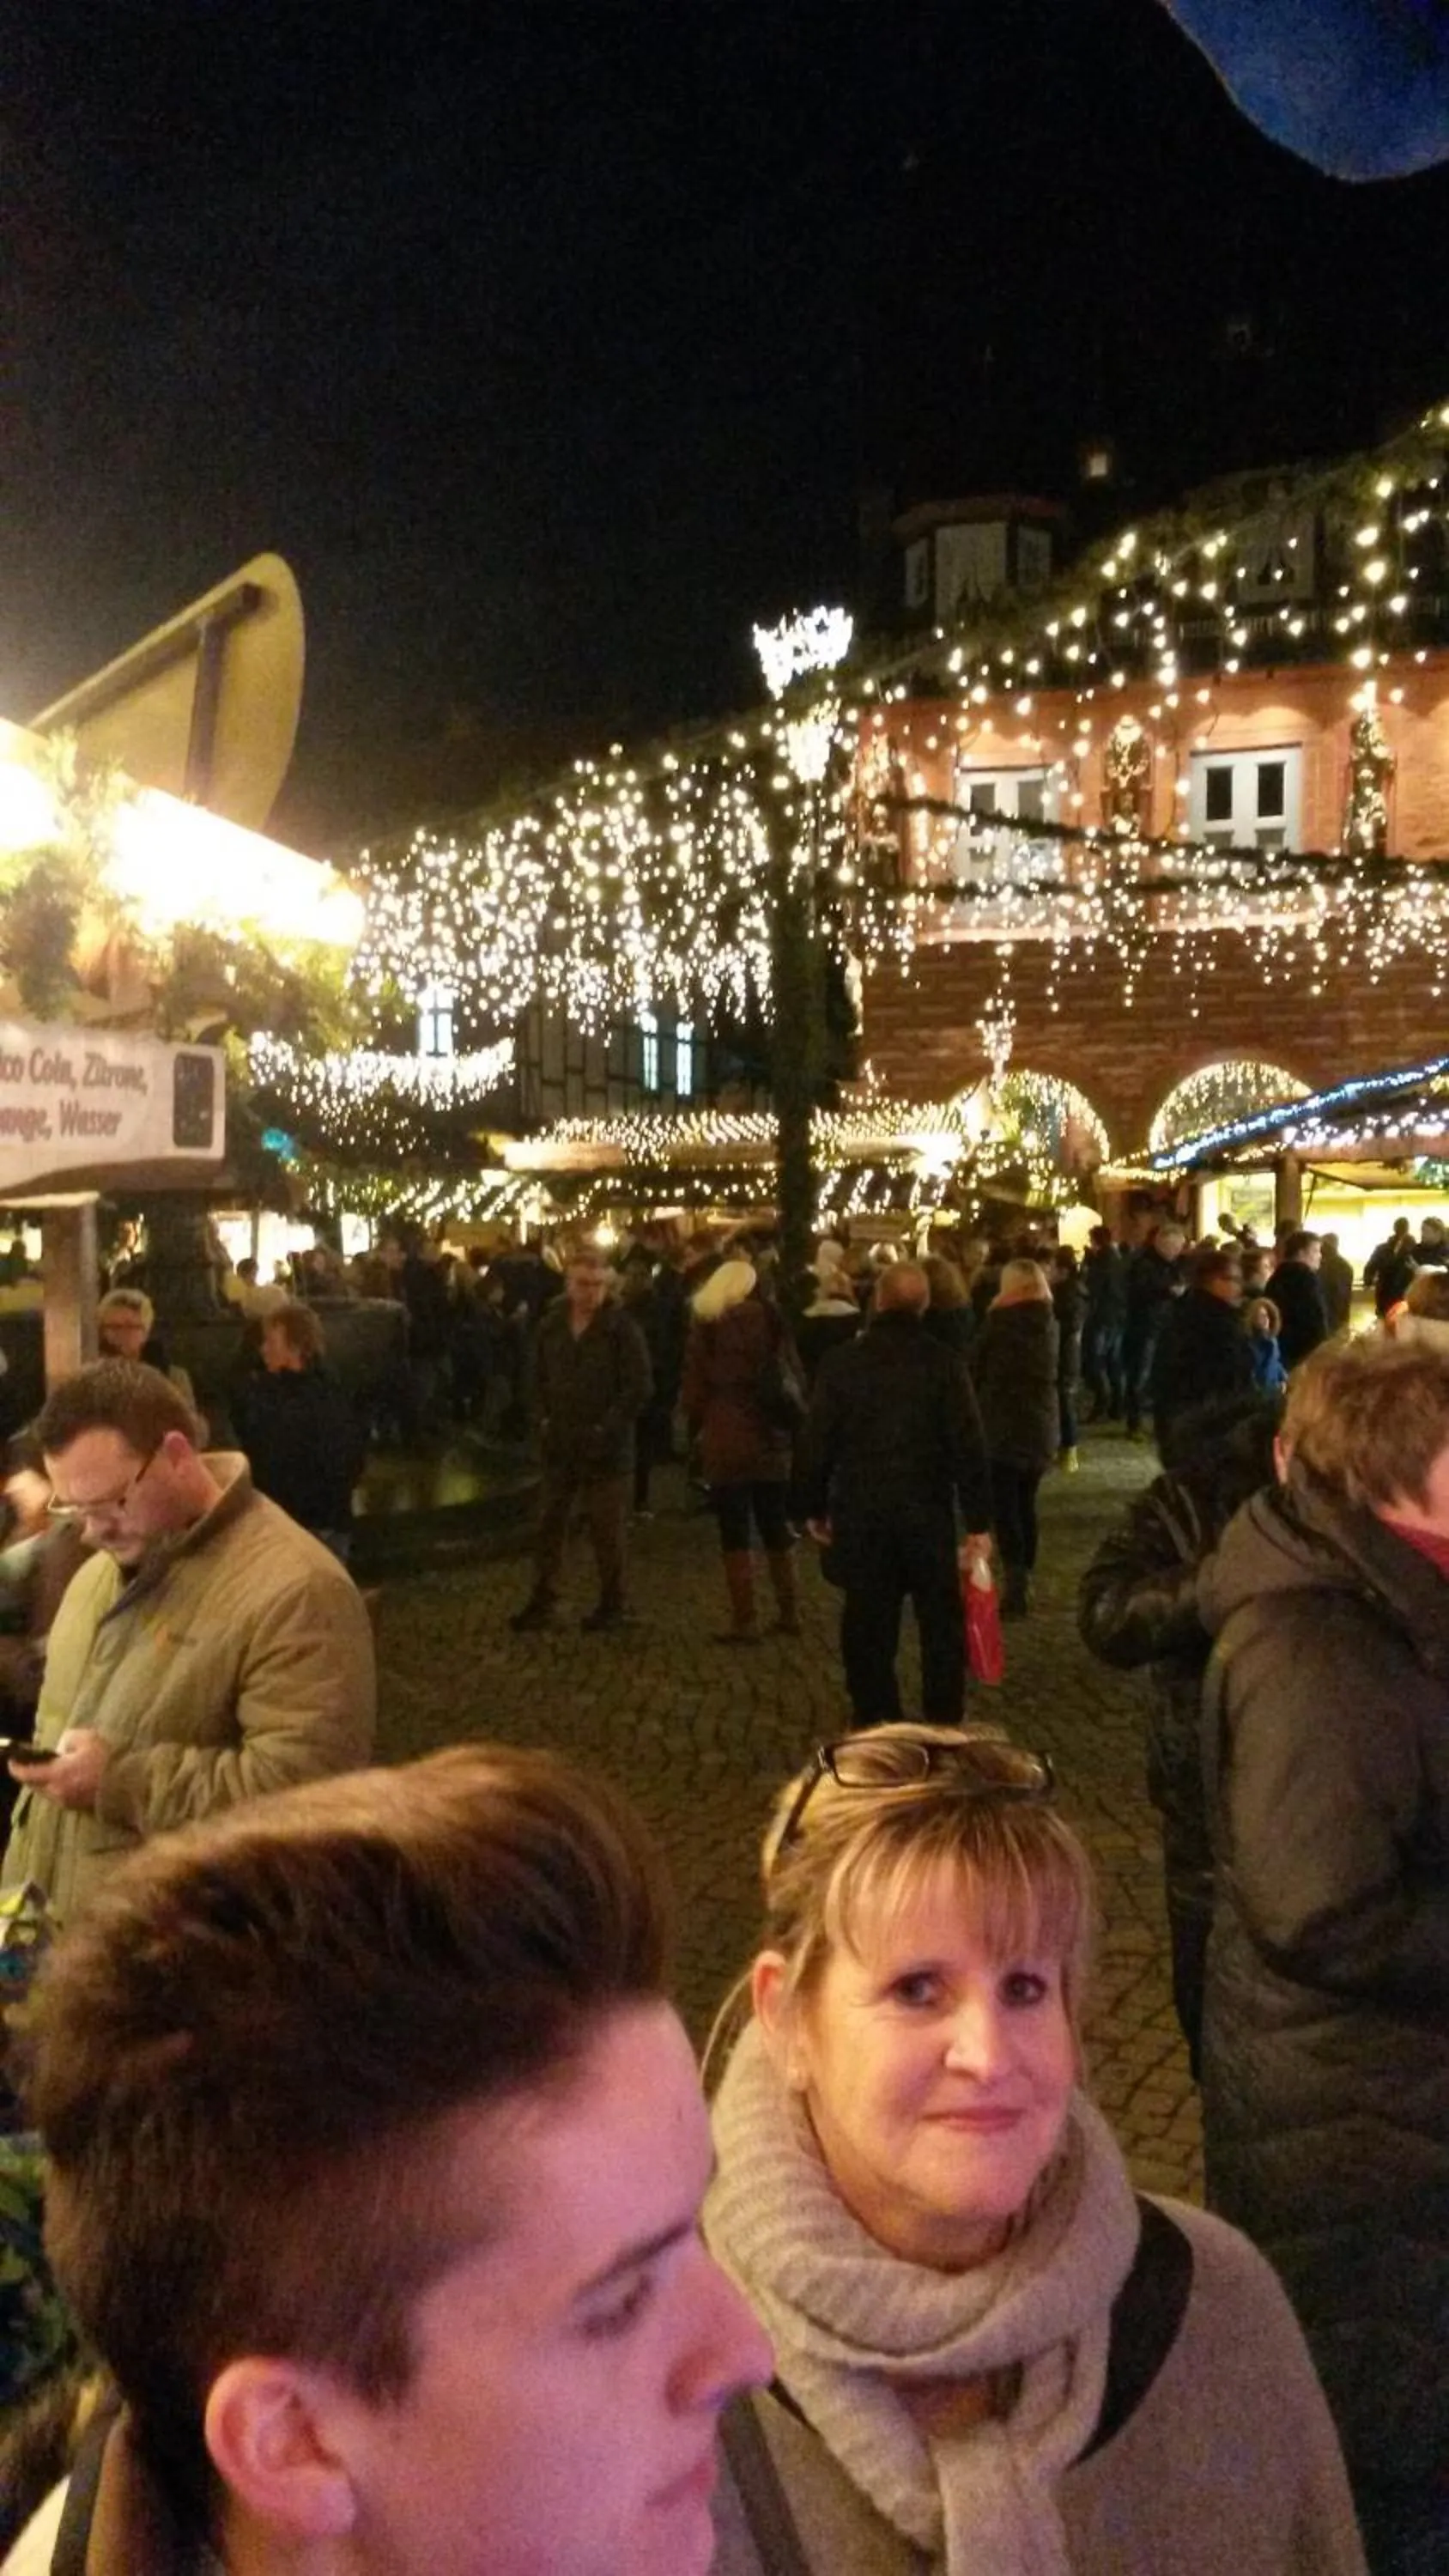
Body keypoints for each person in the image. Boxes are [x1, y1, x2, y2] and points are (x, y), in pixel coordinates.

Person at [2, 1745, 772, 2575]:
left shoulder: (746, 2506)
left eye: (695, 2222)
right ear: (293, 2442)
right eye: (619, 2304)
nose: (747, 2352)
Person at [706, 1722, 1364, 2576]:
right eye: (916, 1990)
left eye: (1023, 1987)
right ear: (786, 2018)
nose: (984, 2053)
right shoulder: (673, 2381)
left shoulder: (1214, 2312)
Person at [1197, 1337, 1449, 2573]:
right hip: (1359, 2134)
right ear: (1416, 1470)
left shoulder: (1391, 1599)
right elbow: (1321, 1908)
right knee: (1392, 2480)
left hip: (1387, 2115)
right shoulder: (1315, 1645)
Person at [0, 1360, 374, 1927]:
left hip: (181, 1956)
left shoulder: (298, 1591)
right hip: (69, 1939)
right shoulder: (100, 1572)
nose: (93, 1530)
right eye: (72, 1508)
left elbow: (305, 1800)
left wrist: (117, 1780)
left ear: (177, 1454)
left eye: (110, 1502)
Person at [1077, 1394, 1282, 2075]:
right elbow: (1106, 1616)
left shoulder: (1378, 1504)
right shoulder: (1188, 1498)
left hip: (1329, 1797)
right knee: (1210, 2006)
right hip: (1204, 1793)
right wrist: (1213, 1584)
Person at [796, 1263, 991, 1728]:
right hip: (928, 1511)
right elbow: (969, 1444)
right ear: (925, 1305)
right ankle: (943, 1715)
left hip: (863, 1511)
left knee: (868, 1621)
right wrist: (980, 1521)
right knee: (939, 1623)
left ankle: (875, 1713)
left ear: (877, 1302)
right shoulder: (944, 1364)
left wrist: (811, 1504)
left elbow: (817, 1438)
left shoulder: (843, 1363)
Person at [510, 1248, 652, 1633]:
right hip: (559, 1443)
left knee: (607, 1531)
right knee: (549, 1526)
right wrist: (540, 1418)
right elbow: (534, 1376)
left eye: (595, 1285)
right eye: (581, 1284)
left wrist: (608, 1427)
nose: (588, 1293)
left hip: (605, 1448)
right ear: (568, 1284)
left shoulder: (621, 1329)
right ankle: (544, 1598)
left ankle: (613, 1602)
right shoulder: (551, 1326)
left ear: (607, 1286)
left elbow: (638, 1387)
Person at [680, 1259, 799, 1644]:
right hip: (769, 1435)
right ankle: (789, 1612)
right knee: (775, 1525)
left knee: (734, 1531)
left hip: (726, 1435)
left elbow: (694, 1390)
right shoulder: (773, 1321)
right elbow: (792, 1372)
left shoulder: (709, 1325)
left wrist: (694, 1425)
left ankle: (745, 1619)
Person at [232, 1301, 369, 1559]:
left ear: (294, 1347)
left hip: (311, 1523)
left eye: (271, 1342)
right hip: (309, 1520)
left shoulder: (316, 1396)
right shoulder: (323, 1387)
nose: (264, 1350)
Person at [969, 1256, 1058, 1616]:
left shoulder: (1000, 1323)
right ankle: (1025, 1574)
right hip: (1040, 1424)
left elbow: (974, 1367)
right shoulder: (1050, 1322)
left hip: (1002, 1422)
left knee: (1006, 1507)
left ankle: (1017, 1579)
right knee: (1026, 1502)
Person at [1149, 1243, 1253, 1462]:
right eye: (1233, 1279)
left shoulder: (1184, 1311)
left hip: (1185, 1420)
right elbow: (1229, 1375)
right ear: (1214, 1281)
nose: (1239, 1287)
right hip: (1209, 1422)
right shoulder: (1216, 1321)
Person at [1121, 1224, 1186, 1439]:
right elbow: (1138, 1290)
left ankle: (1158, 1423)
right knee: (1140, 1375)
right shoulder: (1144, 1263)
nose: (1178, 1251)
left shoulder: (1173, 1264)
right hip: (1146, 1327)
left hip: (1166, 1326)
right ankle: (1135, 1422)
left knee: (1161, 1376)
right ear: (1164, 1243)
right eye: (1176, 1247)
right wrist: (1167, 1290)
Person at [1264, 1228, 1329, 1370]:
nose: (1320, 1256)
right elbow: (1315, 1319)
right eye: (1316, 1251)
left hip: (1281, 1351)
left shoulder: (1276, 1278)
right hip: (1304, 1354)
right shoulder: (1306, 1278)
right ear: (1301, 1253)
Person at [1080, 1224, 1127, 1421]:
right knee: (1113, 1362)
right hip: (1118, 1315)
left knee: (1097, 1361)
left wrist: (1088, 1266)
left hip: (1102, 1316)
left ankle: (1103, 1401)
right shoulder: (1119, 1258)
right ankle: (1117, 1406)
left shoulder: (1102, 1260)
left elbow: (1092, 1288)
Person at [1049, 1244, 1085, 1470]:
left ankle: (1070, 1450)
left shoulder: (1068, 1293)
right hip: (1066, 1352)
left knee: (1065, 1401)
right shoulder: (1069, 1290)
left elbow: (1070, 1325)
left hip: (1066, 1353)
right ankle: (1066, 1449)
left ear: (1063, 1270)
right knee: (1063, 1400)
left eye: (1053, 1267)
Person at [1363, 1214, 1416, 1319]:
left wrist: (1368, 1281)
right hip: (1390, 1292)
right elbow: (1371, 1267)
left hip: (1399, 1292)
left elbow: (1371, 1267)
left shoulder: (1412, 1248)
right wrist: (1368, 1280)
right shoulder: (1385, 1248)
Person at [1244, 1293, 1288, 1392]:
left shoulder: (1273, 1341)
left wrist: (1283, 1379)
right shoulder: (1250, 1345)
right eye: (1260, 1316)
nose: (1265, 1320)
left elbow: (1277, 1364)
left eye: (1266, 1316)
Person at [1319, 1230, 1355, 1334]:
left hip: (1330, 1315)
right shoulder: (1345, 1266)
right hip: (1337, 1316)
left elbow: (1342, 1294)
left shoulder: (1324, 1265)